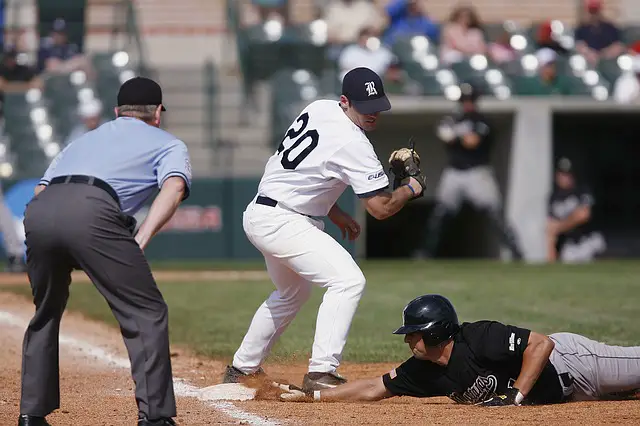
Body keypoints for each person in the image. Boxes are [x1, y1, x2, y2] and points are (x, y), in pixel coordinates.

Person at [223, 67, 427, 392]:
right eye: (364, 106)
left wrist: (335, 212)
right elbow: (380, 208)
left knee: (293, 292)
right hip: (284, 220)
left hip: (265, 211)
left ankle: (242, 368)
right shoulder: (354, 142)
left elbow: (307, 169)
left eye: (377, 106)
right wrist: (411, 188)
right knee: (348, 281)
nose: (373, 113)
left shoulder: (318, 107)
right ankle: (321, 372)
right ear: (345, 101)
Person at [18, 77, 192, 426]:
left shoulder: (82, 140)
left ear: (116, 112)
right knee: (146, 311)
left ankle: (30, 414)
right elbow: (173, 187)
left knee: (46, 311)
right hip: (93, 209)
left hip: (40, 210)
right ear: (157, 113)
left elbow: (40, 190)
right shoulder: (169, 143)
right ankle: (155, 417)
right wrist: (141, 237)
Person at [278, 294, 640, 405]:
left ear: (435, 333)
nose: (408, 341)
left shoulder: (479, 337)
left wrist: (515, 396)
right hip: (566, 398)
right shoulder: (424, 370)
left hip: (573, 365)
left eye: (414, 333)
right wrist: (317, 399)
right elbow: (375, 386)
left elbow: (542, 344)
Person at [415, 83, 523, 260]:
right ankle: (426, 252)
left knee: (493, 214)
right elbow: (444, 134)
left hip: (478, 172)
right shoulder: (453, 119)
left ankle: (516, 252)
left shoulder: (482, 121)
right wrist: (458, 136)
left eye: (470, 100)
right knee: (440, 214)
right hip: (454, 172)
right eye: (464, 100)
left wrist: (456, 136)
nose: (467, 104)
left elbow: (471, 141)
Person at [547, 158, 605, 263]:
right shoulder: (554, 197)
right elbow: (551, 228)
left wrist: (560, 227)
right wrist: (551, 258)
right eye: (562, 174)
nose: (564, 178)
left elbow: (584, 215)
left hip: (589, 239)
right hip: (571, 244)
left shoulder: (582, 190)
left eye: (568, 174)